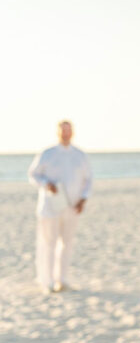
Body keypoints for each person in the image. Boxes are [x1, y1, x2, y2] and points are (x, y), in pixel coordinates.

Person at [27, 120, 92, 293]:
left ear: (73, 132)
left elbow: (88, 180)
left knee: (67, 243)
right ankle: (47, 282)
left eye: (68, 131)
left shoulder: (80, 155)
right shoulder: (47, 153)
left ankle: (62, 280)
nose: (66, 134)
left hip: (72, 206)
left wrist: (83, 199)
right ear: (57, 132)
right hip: (50, 207)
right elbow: (33, 175)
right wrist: (46, 184)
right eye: (63, 131)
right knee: (49, 243)